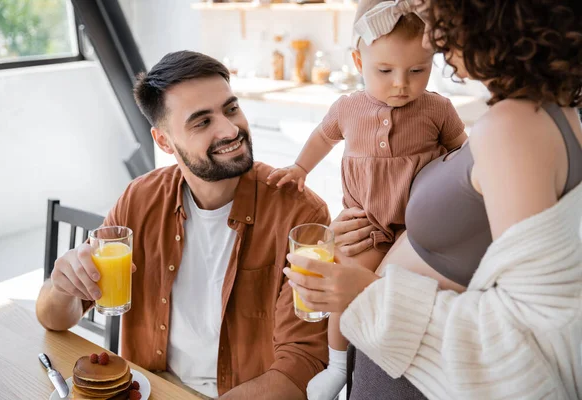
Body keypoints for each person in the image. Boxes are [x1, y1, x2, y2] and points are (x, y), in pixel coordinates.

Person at [284, 0, 582, 398]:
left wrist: (367, 293)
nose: (431, 37)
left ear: (486, 19)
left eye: (442, 16)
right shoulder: (548, 112)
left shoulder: (513, 127)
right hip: (400, 360)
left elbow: (525, 323)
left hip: (416, 379)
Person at [36, 50, 331, 400]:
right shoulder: (139, 199)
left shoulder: (300, 213)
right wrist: (62, 286)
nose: (230, 129)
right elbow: (55, 319)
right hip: (149, 389)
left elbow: (301, 364)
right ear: (163, 141)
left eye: (231, 108)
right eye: (202, 122)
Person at [267, 0, 467, 398]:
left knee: (393, 299)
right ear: (359, 60)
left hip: (418, 229)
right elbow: (323, 137)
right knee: (344, 284)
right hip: (368, 225)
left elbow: (464, 154)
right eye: (385, 71)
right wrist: (300, 168)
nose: (401, 84)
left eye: (417, 71)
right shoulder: (347, 108)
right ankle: (338, 366)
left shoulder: (438, 108)